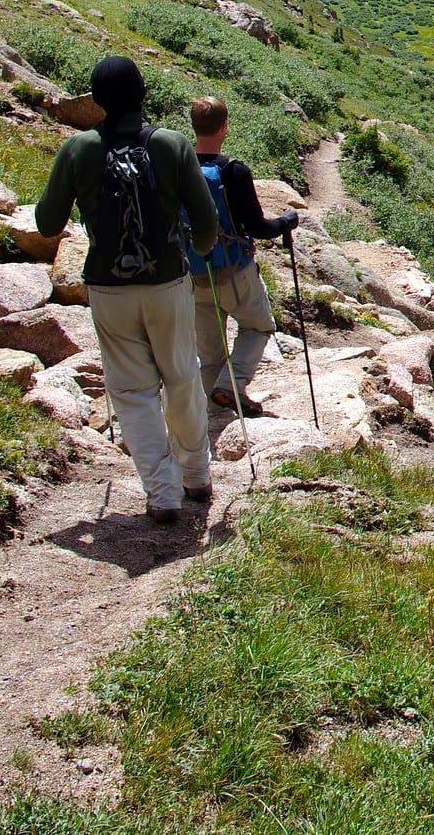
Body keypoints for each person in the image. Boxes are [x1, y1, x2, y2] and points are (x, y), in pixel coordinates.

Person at [36, 57, 220, 525]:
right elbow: (205, 224)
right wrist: (198, 251)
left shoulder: (78, 149)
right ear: (143, 94)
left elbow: (46, 223)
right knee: (182, 375)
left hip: (109, 285)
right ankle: (196, 475)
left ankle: (162, 493)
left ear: (96, 100)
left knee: (132, 390)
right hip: (167, 280)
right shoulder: (172, 145)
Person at [187, 96, 300, 418]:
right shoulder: (233, 171)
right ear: (224, 127)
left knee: (209, 352)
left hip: (195, 271)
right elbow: (257, 227)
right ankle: (232, 386)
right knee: (257, 327)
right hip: (235, 270)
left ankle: (215, 411)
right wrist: (287, 221)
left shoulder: (182, 169)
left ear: (194, 126)